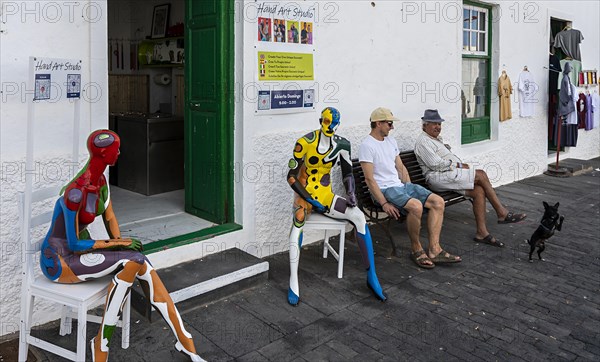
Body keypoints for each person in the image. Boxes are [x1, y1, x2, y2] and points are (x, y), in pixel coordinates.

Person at [40, 130, 205, 362]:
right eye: (116, 149)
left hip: (81, 254)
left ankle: (184, 339)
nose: (119, 152)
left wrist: (121, 243)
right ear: (104, 153)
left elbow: (110, 218)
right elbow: (74, 243)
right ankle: (101, 345)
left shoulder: (101, 183)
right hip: (59, 260)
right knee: (133, 261)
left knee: (139, 260)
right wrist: (118, 244)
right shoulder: (75, 192)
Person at [287, 107, 386, 305]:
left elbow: (347, 173)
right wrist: (310, 200)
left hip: (326, 196)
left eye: (333, 123)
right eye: (326, 121)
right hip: (305, 196)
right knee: (298, 220)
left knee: (358, 217)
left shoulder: (342, 144)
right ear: (320, 120)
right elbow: (290, 177)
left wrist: (350, 194)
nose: (329, 126)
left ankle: (372, 276)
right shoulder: (304, 143)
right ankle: (293, 281)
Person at [359, 107, 461, 269]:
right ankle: (416, 249)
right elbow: (369, 179)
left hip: (400, 187)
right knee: (416, 206)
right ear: (378, 123)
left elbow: (400, 168)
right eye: (389, 123)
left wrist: (408, 186)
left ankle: (435, 249)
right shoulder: (367, 146)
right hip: (384, 190)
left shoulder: (391, 141)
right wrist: (384, 204)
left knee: (438, 201)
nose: (392, 127)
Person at [414, 109, 527, 247]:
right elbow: (435, 164)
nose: (438, 127)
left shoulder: (435, 139)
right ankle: (502, 212)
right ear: (424, 125)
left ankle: (482, 233)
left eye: (439, 124)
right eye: (434, 124)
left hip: (447, 175)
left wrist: (455, 164)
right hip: (437, 177)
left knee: (478, 191)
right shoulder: (423, 141)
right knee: (481, 175)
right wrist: (458, 165)